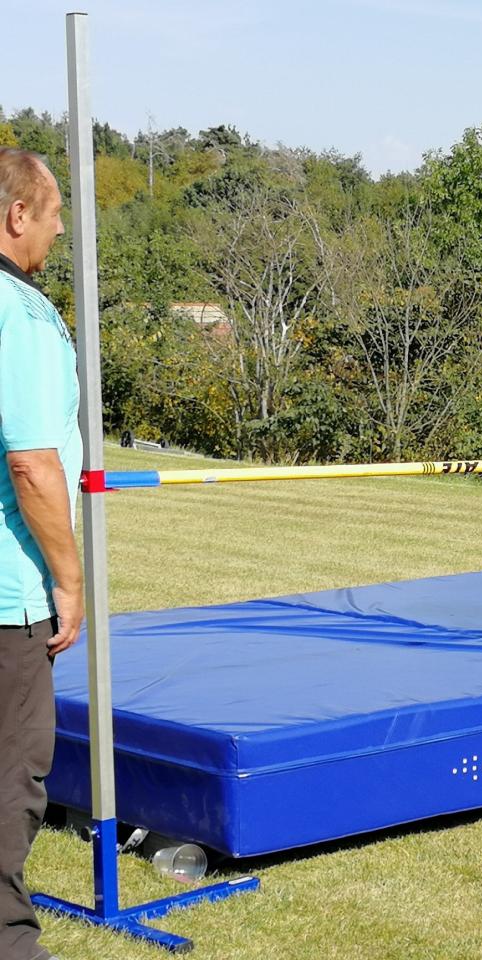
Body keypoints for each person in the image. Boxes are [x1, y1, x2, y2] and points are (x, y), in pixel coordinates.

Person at [0, 148, 84, 960]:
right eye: (54, 213)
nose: (60, 231)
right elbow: (31, 463)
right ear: (17, 214)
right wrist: (68, 579)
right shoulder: (19, 315)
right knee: (11, 777)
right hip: (9, 597)